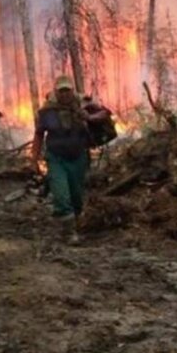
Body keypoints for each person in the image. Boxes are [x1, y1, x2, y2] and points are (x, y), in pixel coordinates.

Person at [30, 76, 110, 241]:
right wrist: (34, 158)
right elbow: (39, 134)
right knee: (61, 194)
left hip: (78, 157)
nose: (65, 94)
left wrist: (89, 118)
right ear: (56, 92)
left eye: (67, 90)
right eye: (61, 91)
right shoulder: (47, 111)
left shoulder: (83, 103)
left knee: (76, 195)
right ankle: (68, 232)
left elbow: (105, 113)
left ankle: (77, 222)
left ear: (72, 91)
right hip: (56, 158)